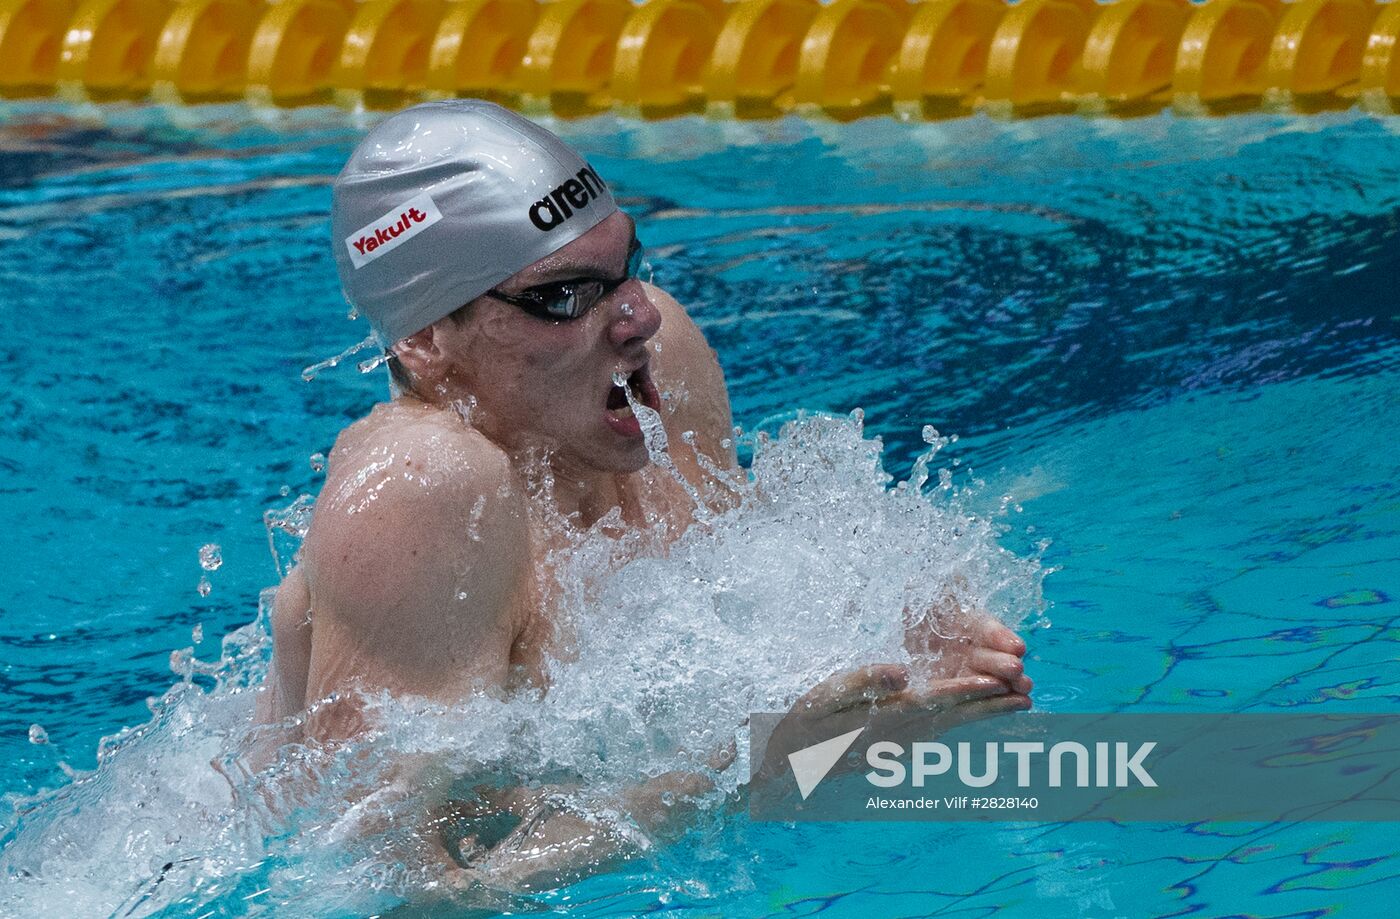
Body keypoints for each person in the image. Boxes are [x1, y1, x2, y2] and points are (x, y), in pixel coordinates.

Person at [255, 100, 1032, 886]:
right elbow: (395, 891)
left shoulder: (659, 369)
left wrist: (891, 635)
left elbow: (732, 588)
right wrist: (757, 771)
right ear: (425, 340)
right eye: (563, 297)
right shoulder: (424, 490)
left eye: (629, 265)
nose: (638, 315)